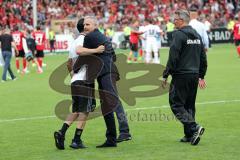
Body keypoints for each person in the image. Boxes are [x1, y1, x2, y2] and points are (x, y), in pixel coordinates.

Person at [74, 16, 131, 148]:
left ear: (95, 25)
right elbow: (113, 55)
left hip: (106, 72)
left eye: (88, 24)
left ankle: (124, 131)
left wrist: (75, 68)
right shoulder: (101, 36)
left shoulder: (90, 37)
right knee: (107, 104)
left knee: (112, 100)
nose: (85, 27)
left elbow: (81, 54)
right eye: (84, 25)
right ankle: (111, 138)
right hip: (107, 72)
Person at [54, 18, 105, 150]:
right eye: (87, 24)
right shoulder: (84, 40)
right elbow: (80, 51)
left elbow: (69, 62)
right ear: (85, 27)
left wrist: (72, 75)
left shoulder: (74, 41)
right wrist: (97, 50)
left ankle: (61, 132)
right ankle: (76, 140)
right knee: (85, 111)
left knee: (77, 110)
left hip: (75, 80)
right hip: (84, 79)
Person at [162, 9, 207, 146]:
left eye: (175, 19)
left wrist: (166, 74)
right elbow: (203, 57)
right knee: (189, 105)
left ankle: (194, 127)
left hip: (181, 75)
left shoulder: (179, 35)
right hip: (194, 75)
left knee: (175, 103)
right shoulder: (197, 36)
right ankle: (189, 135)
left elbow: (173, 56)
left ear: (181, 21)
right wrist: (201, 75)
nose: (173, 21)